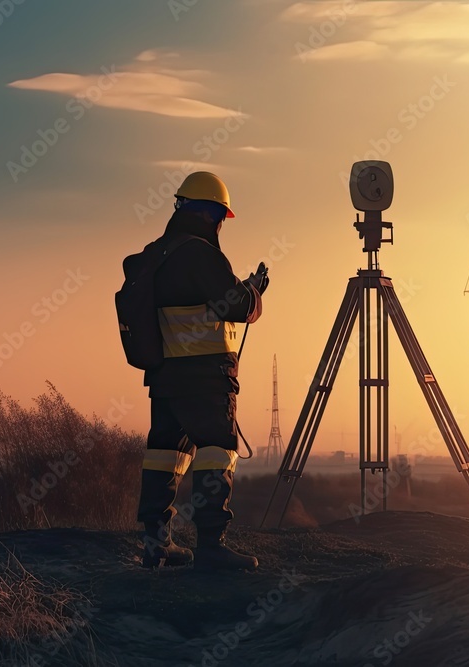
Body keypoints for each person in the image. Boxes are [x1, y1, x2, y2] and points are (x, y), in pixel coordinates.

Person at [136, 171, 270, 570]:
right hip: (205, 378)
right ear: (213, 214)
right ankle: (212, 545)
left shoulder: (155, 254)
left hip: (165, 376)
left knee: (165, 455)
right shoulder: (200, 253)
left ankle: (156, 544)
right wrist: (255, 293)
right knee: (217, 451)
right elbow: (235, 305)